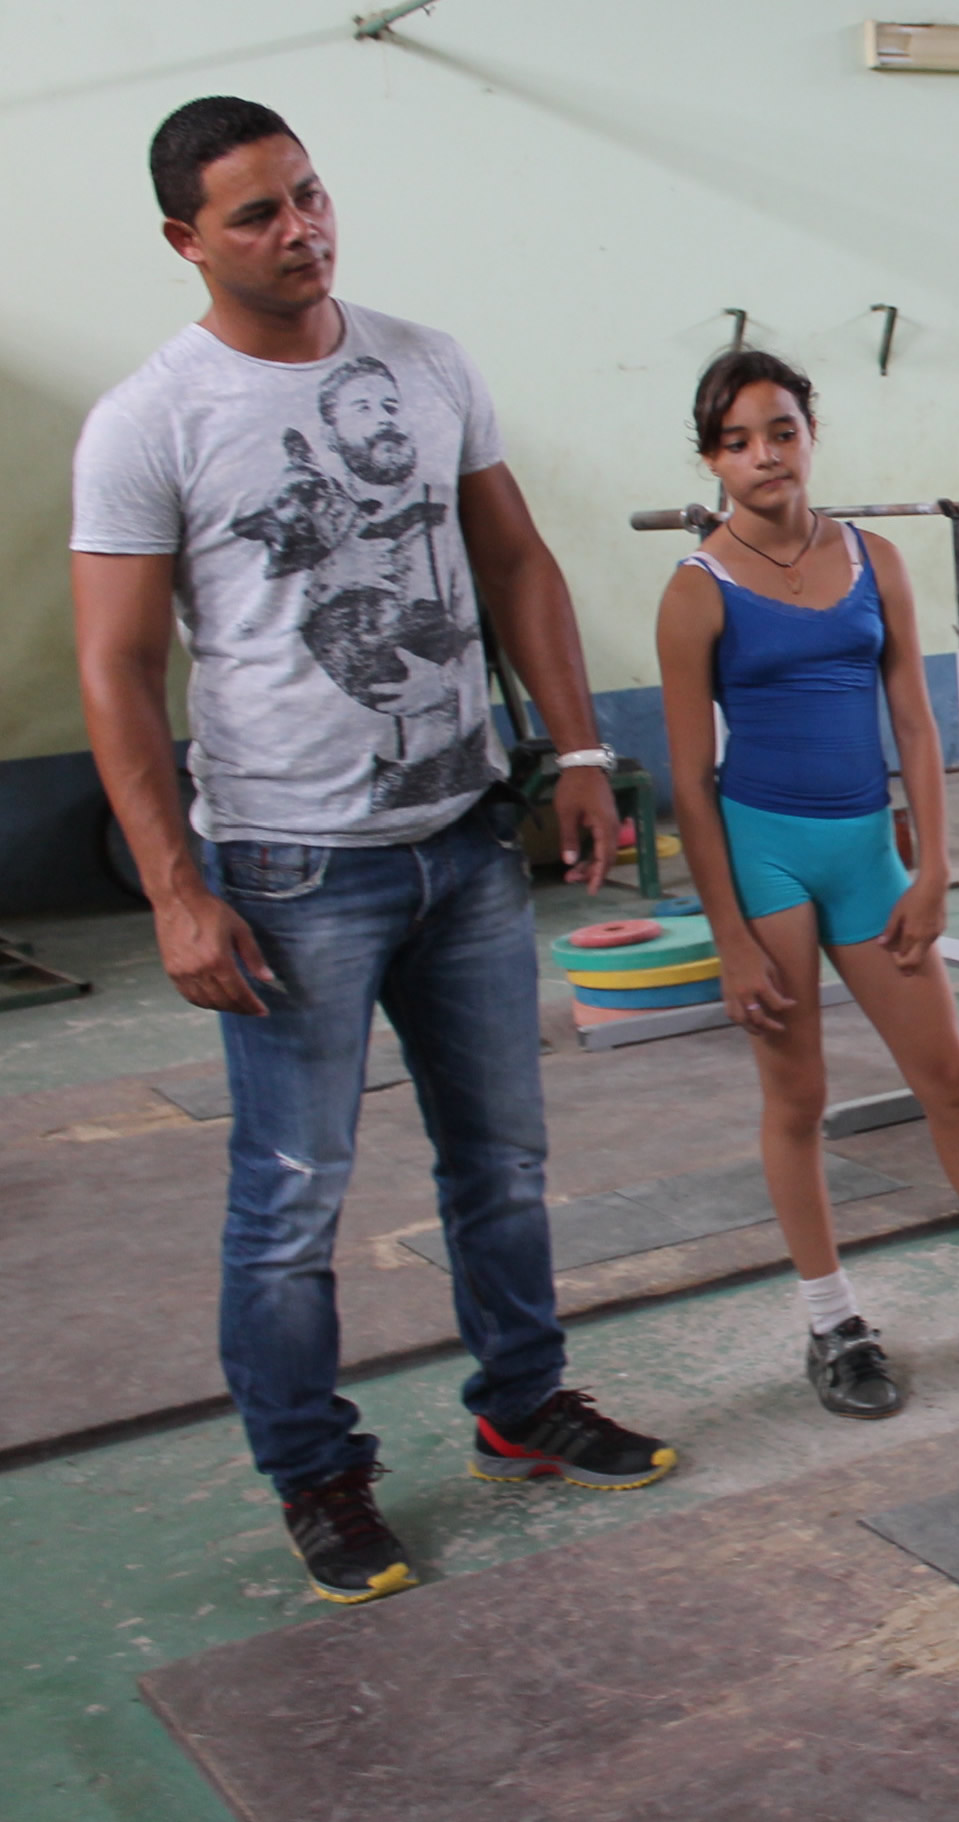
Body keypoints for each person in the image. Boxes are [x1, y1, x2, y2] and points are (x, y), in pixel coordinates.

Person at [69, 98, 677, 1607]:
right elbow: (116, 667)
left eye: (311, 195)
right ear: (184, 241)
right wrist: (174, 887)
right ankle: (318, 1474)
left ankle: (521, 1401)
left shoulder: (425, 362)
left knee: (506, 1158)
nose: (302, 231)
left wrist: (578, 748)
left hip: (463, 837)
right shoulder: (152, 418)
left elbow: (515, 558)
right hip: (286, 869)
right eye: (260, 215)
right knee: (290, 1198)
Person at [653, 349, 959, 1420]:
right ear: (712, 460)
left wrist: (930, 865)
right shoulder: (696, 592)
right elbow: (688, 782)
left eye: (781, 430)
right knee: (801, 1098)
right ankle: (834, 1323)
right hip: (763, 852)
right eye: (738, 442)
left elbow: (914, 719)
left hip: (867, 849)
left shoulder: (875, 560)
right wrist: (728, 936)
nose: (764, 456)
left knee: (952, 1079)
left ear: (809, 434)